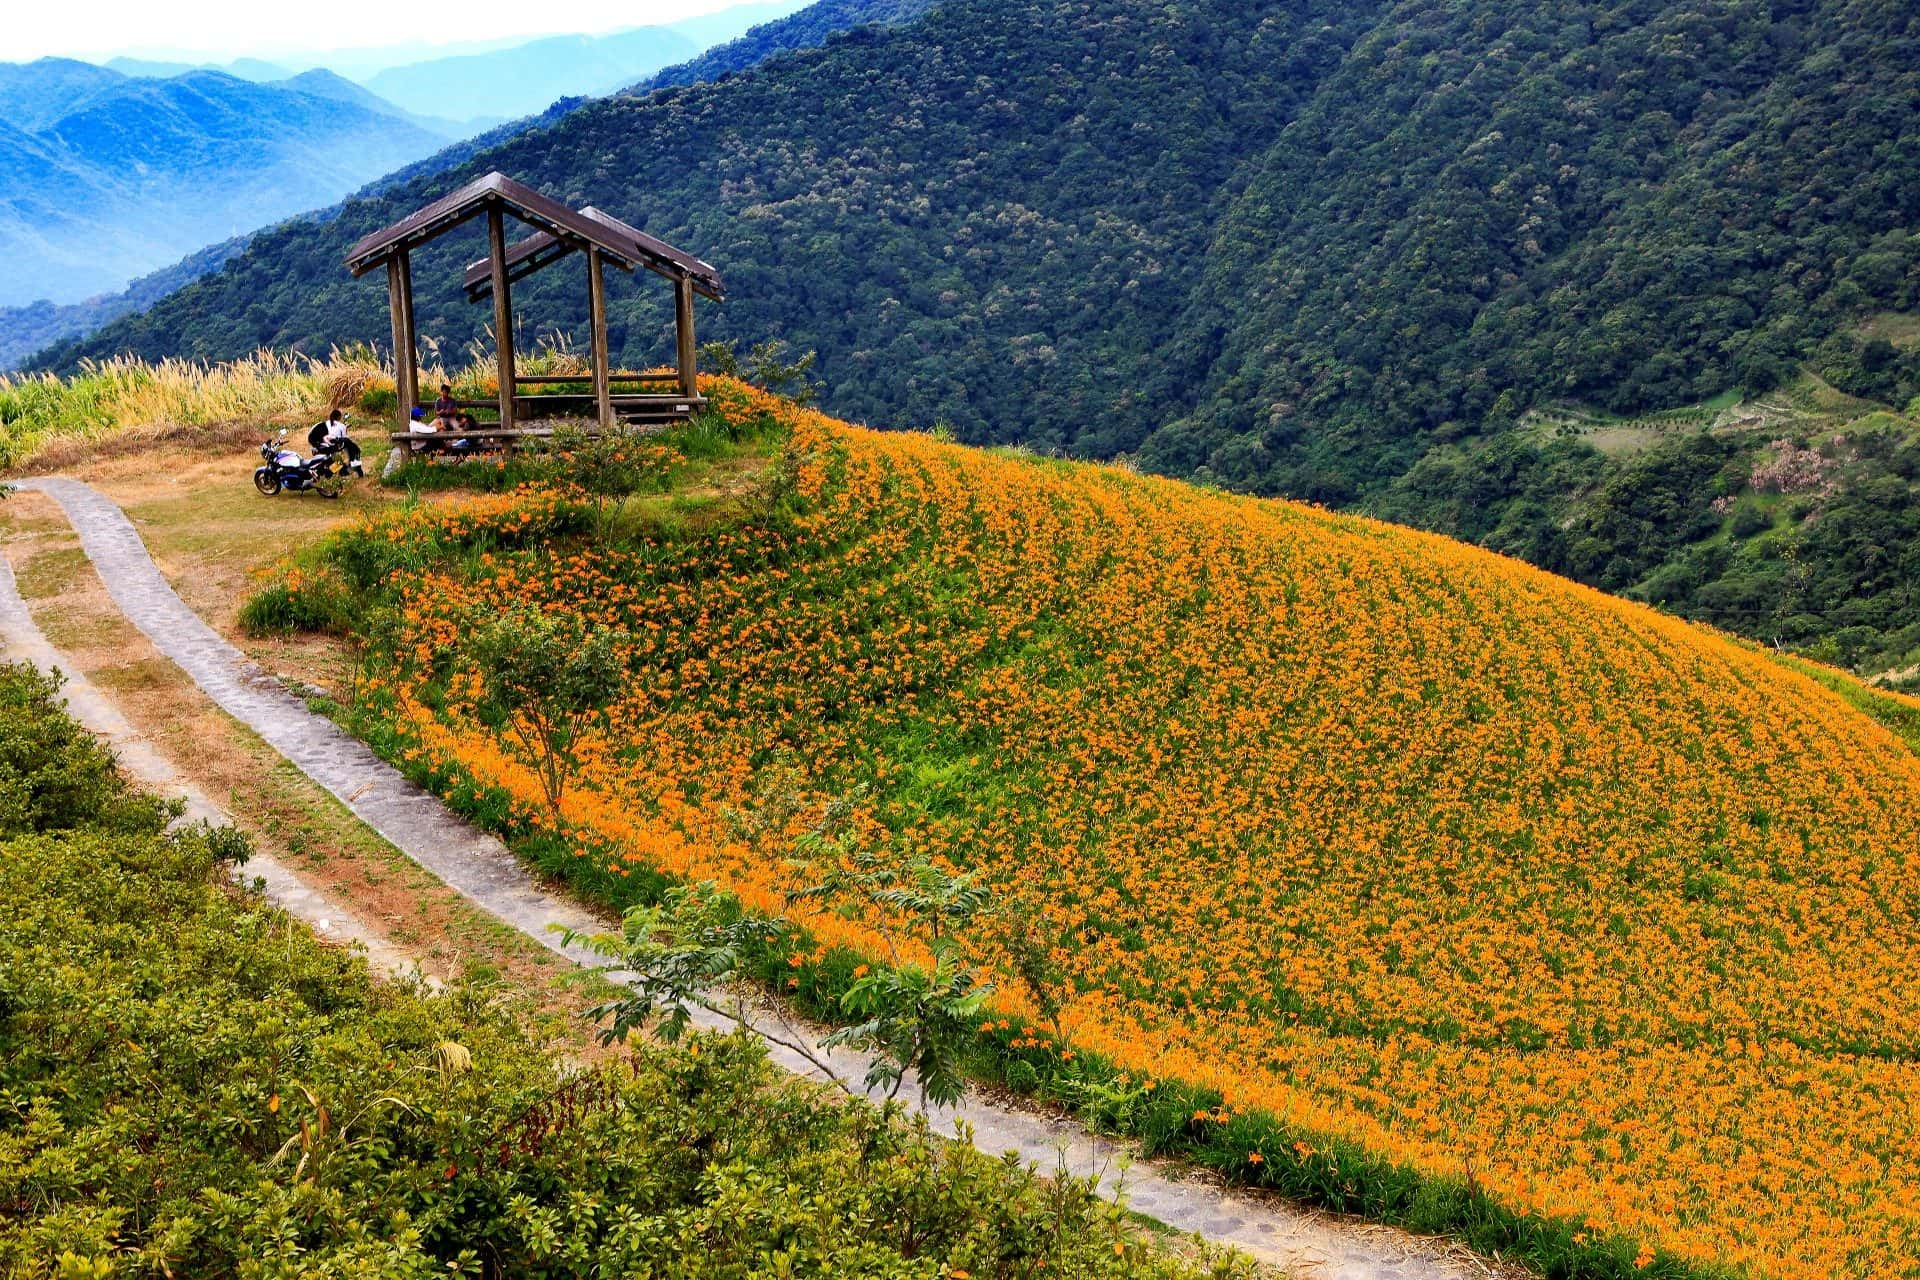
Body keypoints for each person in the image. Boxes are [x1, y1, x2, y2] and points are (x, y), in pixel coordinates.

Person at [308, 408, 364, 475]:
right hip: (320, 442)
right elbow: (342, 439)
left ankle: (328, 471)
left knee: (337, 457)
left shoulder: (328, 423)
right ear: (339, 417)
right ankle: (328, 472)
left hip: (314, 440)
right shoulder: (340, 427)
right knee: (340, 457)